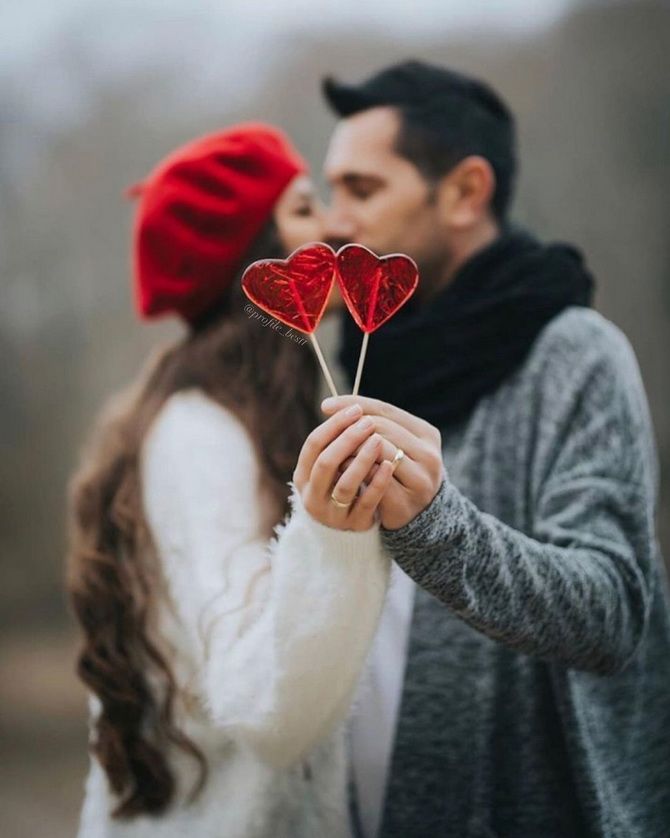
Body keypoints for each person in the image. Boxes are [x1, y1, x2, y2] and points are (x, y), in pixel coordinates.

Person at [319, 61, 670, 837]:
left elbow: (614, 611)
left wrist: (436, 524)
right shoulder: (363, 363)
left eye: (363, 189)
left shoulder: (576, 353)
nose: (333, 221)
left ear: (466, 192)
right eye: (330, 190)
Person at [66, 123, 399, 838]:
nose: (339, 225)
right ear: (254, 255)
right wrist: (337, 530)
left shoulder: (269, 416)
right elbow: (265, 705)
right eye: (306, 209)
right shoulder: (195, 438)